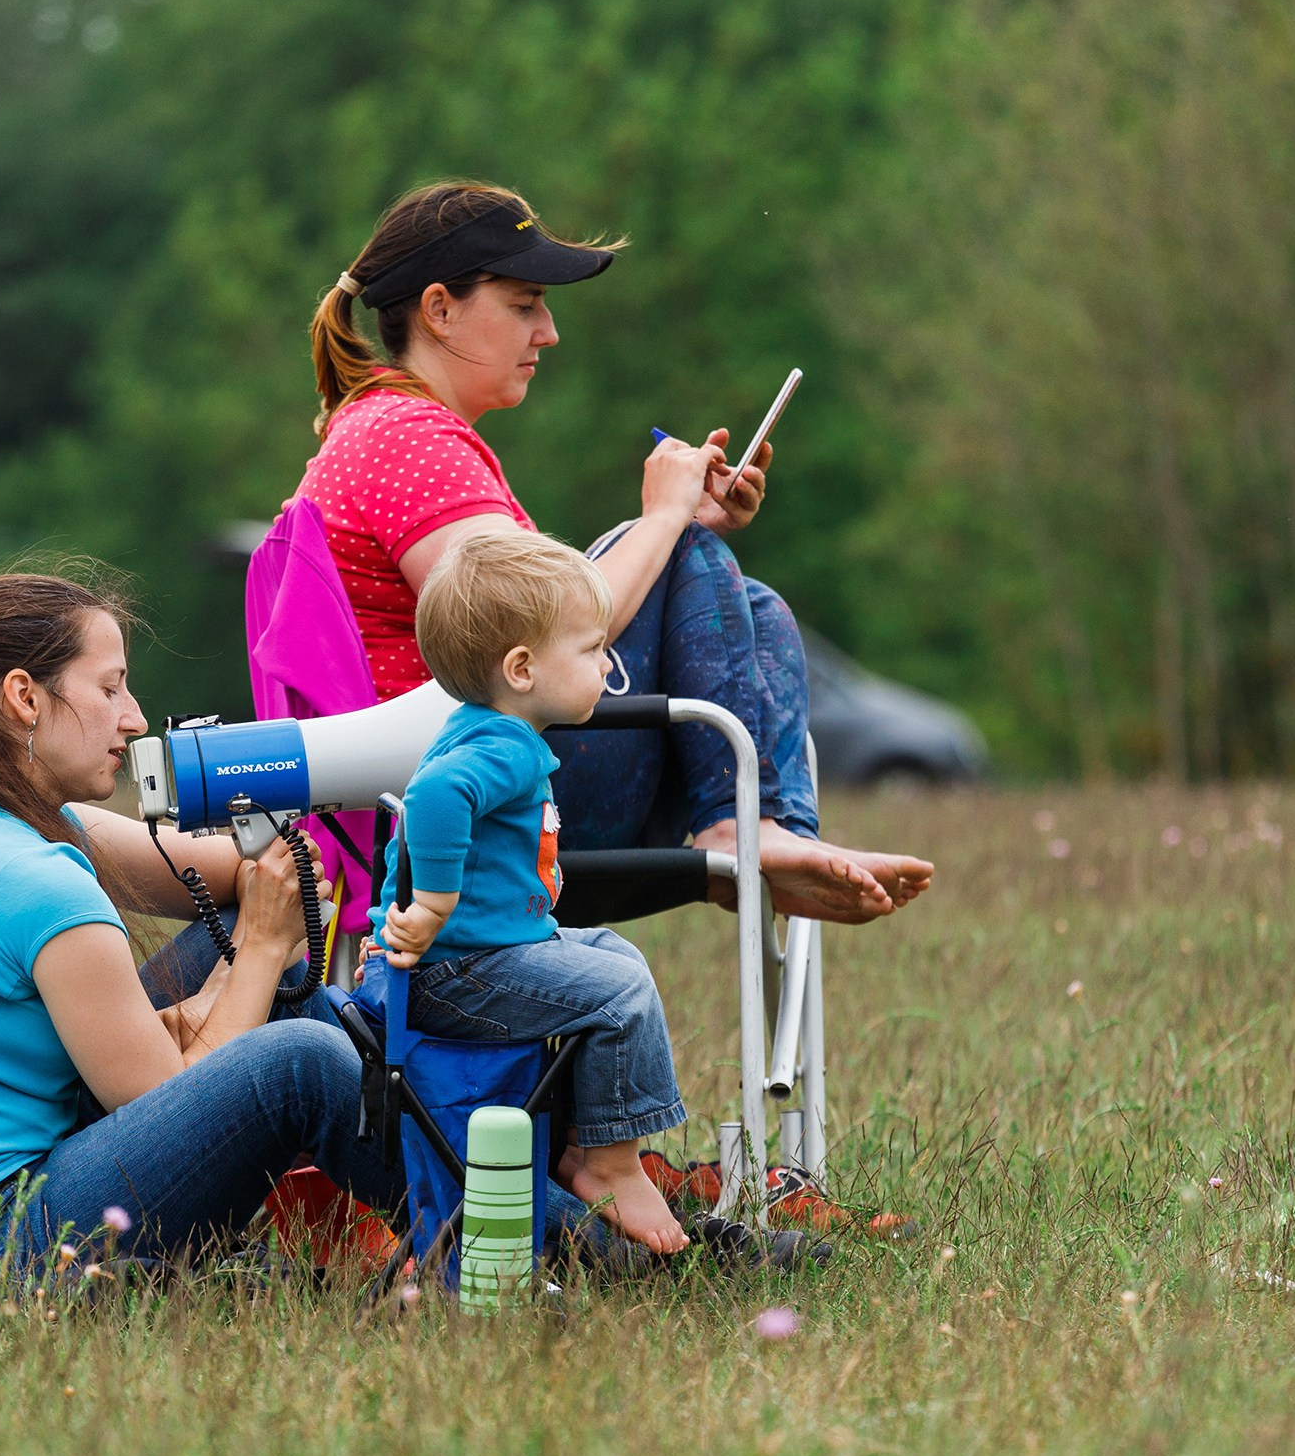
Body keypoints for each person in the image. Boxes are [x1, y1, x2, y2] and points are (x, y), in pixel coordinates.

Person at [294, 180, 934, 924]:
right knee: (688, 552)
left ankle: (768, 830)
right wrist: (663, 521)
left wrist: (675, 526)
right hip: (474, 796)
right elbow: (525, 630)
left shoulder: (384, 428)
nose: (548, 332)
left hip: (456, 781)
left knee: (740, 598)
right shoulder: (410, 440)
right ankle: (743, 829)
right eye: (525, 304)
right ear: (439, 309)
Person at [0, 567, 399, 1259]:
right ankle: (484, 1218)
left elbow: (238, 878)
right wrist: (262, 949)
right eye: (110, 688)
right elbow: (167, 1097)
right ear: (25, 697)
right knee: (298, 1063)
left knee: (254, 946)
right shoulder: (30, 878)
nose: (135, 718)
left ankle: (376, 1217)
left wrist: (272, 861)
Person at [372, 533, 688, 1253]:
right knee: (621, 992)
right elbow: (433, 796)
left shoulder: (489, 730)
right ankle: (609, 1165)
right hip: (456, 972)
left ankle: (588, 1141)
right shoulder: (503, 745)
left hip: (485, 955)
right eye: (593, 649)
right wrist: (433, 906)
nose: (607, 665)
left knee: (617, 956)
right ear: (521, 669)